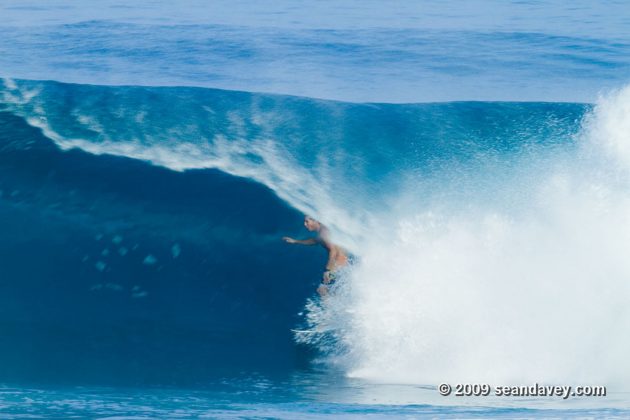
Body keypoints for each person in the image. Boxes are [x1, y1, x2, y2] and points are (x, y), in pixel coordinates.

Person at [283, 216, 349, 296]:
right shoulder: (322, 231)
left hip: (338, 265)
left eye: (307, 221)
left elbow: (333, 250)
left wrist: (328, 270)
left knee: (322, 290)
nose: (305, 224)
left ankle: (331, 307)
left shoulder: (324, 233)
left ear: (316, 221)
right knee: (328, 289)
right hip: (340, 265)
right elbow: (315, 240)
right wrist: (296, 241)